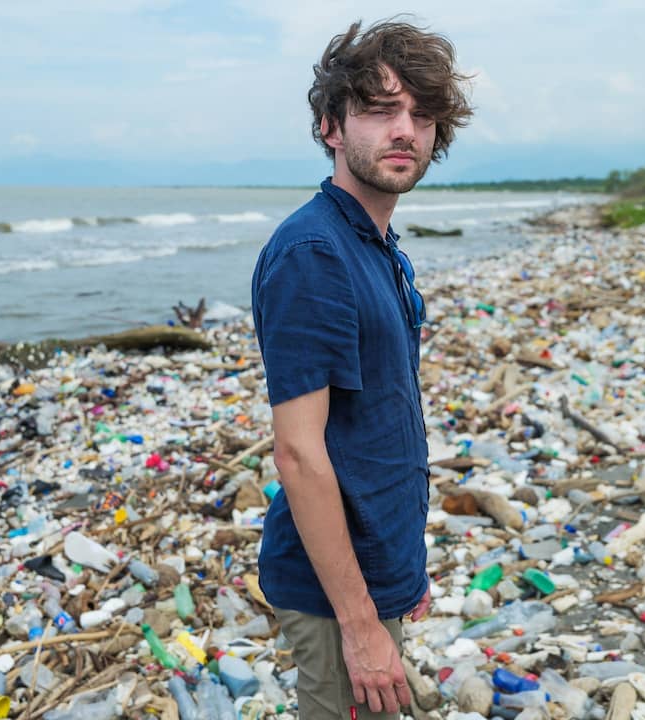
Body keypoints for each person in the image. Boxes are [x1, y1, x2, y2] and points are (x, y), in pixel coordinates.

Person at [250, 18, 473, 720]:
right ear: (331, 126)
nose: (404, 129)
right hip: (332, 596)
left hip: (376, 571)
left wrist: (402, 571)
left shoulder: (377, 245)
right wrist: (359, 622)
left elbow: (378, 421)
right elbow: (298, 451)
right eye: (380, 110)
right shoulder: (314, 254)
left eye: (421, 114)